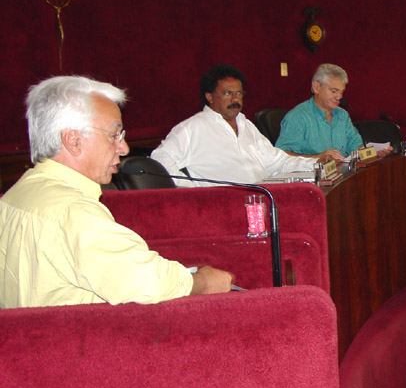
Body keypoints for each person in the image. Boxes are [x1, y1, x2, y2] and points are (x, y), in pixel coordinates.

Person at [0, 76, 232, 309]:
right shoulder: (74, 212)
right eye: (114, 135)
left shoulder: (15, 194)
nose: (124, 148)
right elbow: (148, 282)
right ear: (73, 141)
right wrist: (203, 282)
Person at [151, 64, 316, 185]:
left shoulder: (246, 125)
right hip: (226, 208)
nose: (235, 99)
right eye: (228, 93)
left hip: (264, 197)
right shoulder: (193, 128)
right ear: (210, 97)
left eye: (239, 93)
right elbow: (159, 159)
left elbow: (278, 162)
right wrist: (192, 190)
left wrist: (318, 164)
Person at [276, 63, 391, 161]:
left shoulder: (342, 115)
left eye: (341, 92)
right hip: (313, 181)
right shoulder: (298, 117)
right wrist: (317, 158)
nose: (339, 97)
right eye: (334, 91)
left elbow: (356, 147)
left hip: (343, 177)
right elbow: (281, 156)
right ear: (316, 87)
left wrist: (374, 152)